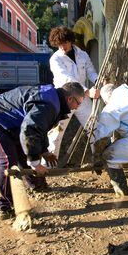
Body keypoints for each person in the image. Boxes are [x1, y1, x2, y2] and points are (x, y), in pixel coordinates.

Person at [0, 82, 85, 221]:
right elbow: (29, 131)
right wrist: (35, 163)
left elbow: (40, 128)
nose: (77, 107)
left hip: (13, 123)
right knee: (8, 161)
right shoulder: (49, 105)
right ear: (69, 99)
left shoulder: (54, 100)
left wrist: (44, 151)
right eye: (78, 103)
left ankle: (38, 185)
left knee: (25, 151)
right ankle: (2, 207)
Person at [47, 26, 99, 163]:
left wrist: (99, 80)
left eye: (64, 43)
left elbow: (91, 71)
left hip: (82, 99)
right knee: (57, 132)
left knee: (93, 126)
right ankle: (50, 165)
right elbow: (67, 79)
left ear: (70, 41)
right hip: (64, 98)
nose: (62, 47)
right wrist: (88, 91)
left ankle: (99, 157)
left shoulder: (82, 55)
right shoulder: (55, 59)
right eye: (58, 45)